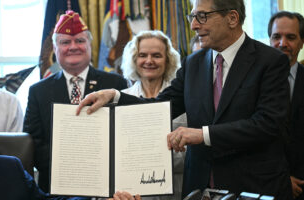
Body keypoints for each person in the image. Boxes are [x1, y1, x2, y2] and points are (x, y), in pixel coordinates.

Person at [77, 0, 292, 198]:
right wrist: (114, 96)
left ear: (232, 18)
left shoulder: (271, 62)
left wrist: (202, 135)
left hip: (252, 188)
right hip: (198, 188)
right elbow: (159, 108)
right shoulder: (193, 63)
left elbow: (267, 124)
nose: (194, 26)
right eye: (192, 17)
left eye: (202, 16)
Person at [23, 10, 128, 193]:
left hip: (108, 185)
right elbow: (33, 141)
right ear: (55, 49)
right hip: (56, 187)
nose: (73, 47)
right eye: (65, 42)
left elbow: (125, 132)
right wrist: (68, 163)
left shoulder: (115, 84)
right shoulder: (38, 91)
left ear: (89, 44)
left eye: (80, 41)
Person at [120, 30, 185, 200]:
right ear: (134, 60)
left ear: (168, 60)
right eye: (143, 55)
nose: (149, 61)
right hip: (132, 194)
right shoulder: (121, 99)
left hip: (177, 192)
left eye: (156, 55)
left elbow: (193, 151)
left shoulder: (184, 99)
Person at [268, 11, 304, 199]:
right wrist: (281, 178)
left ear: (301, 42)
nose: (282, 43)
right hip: (267, 184)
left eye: (290, 37)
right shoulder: (252, 83)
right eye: (276, 37)